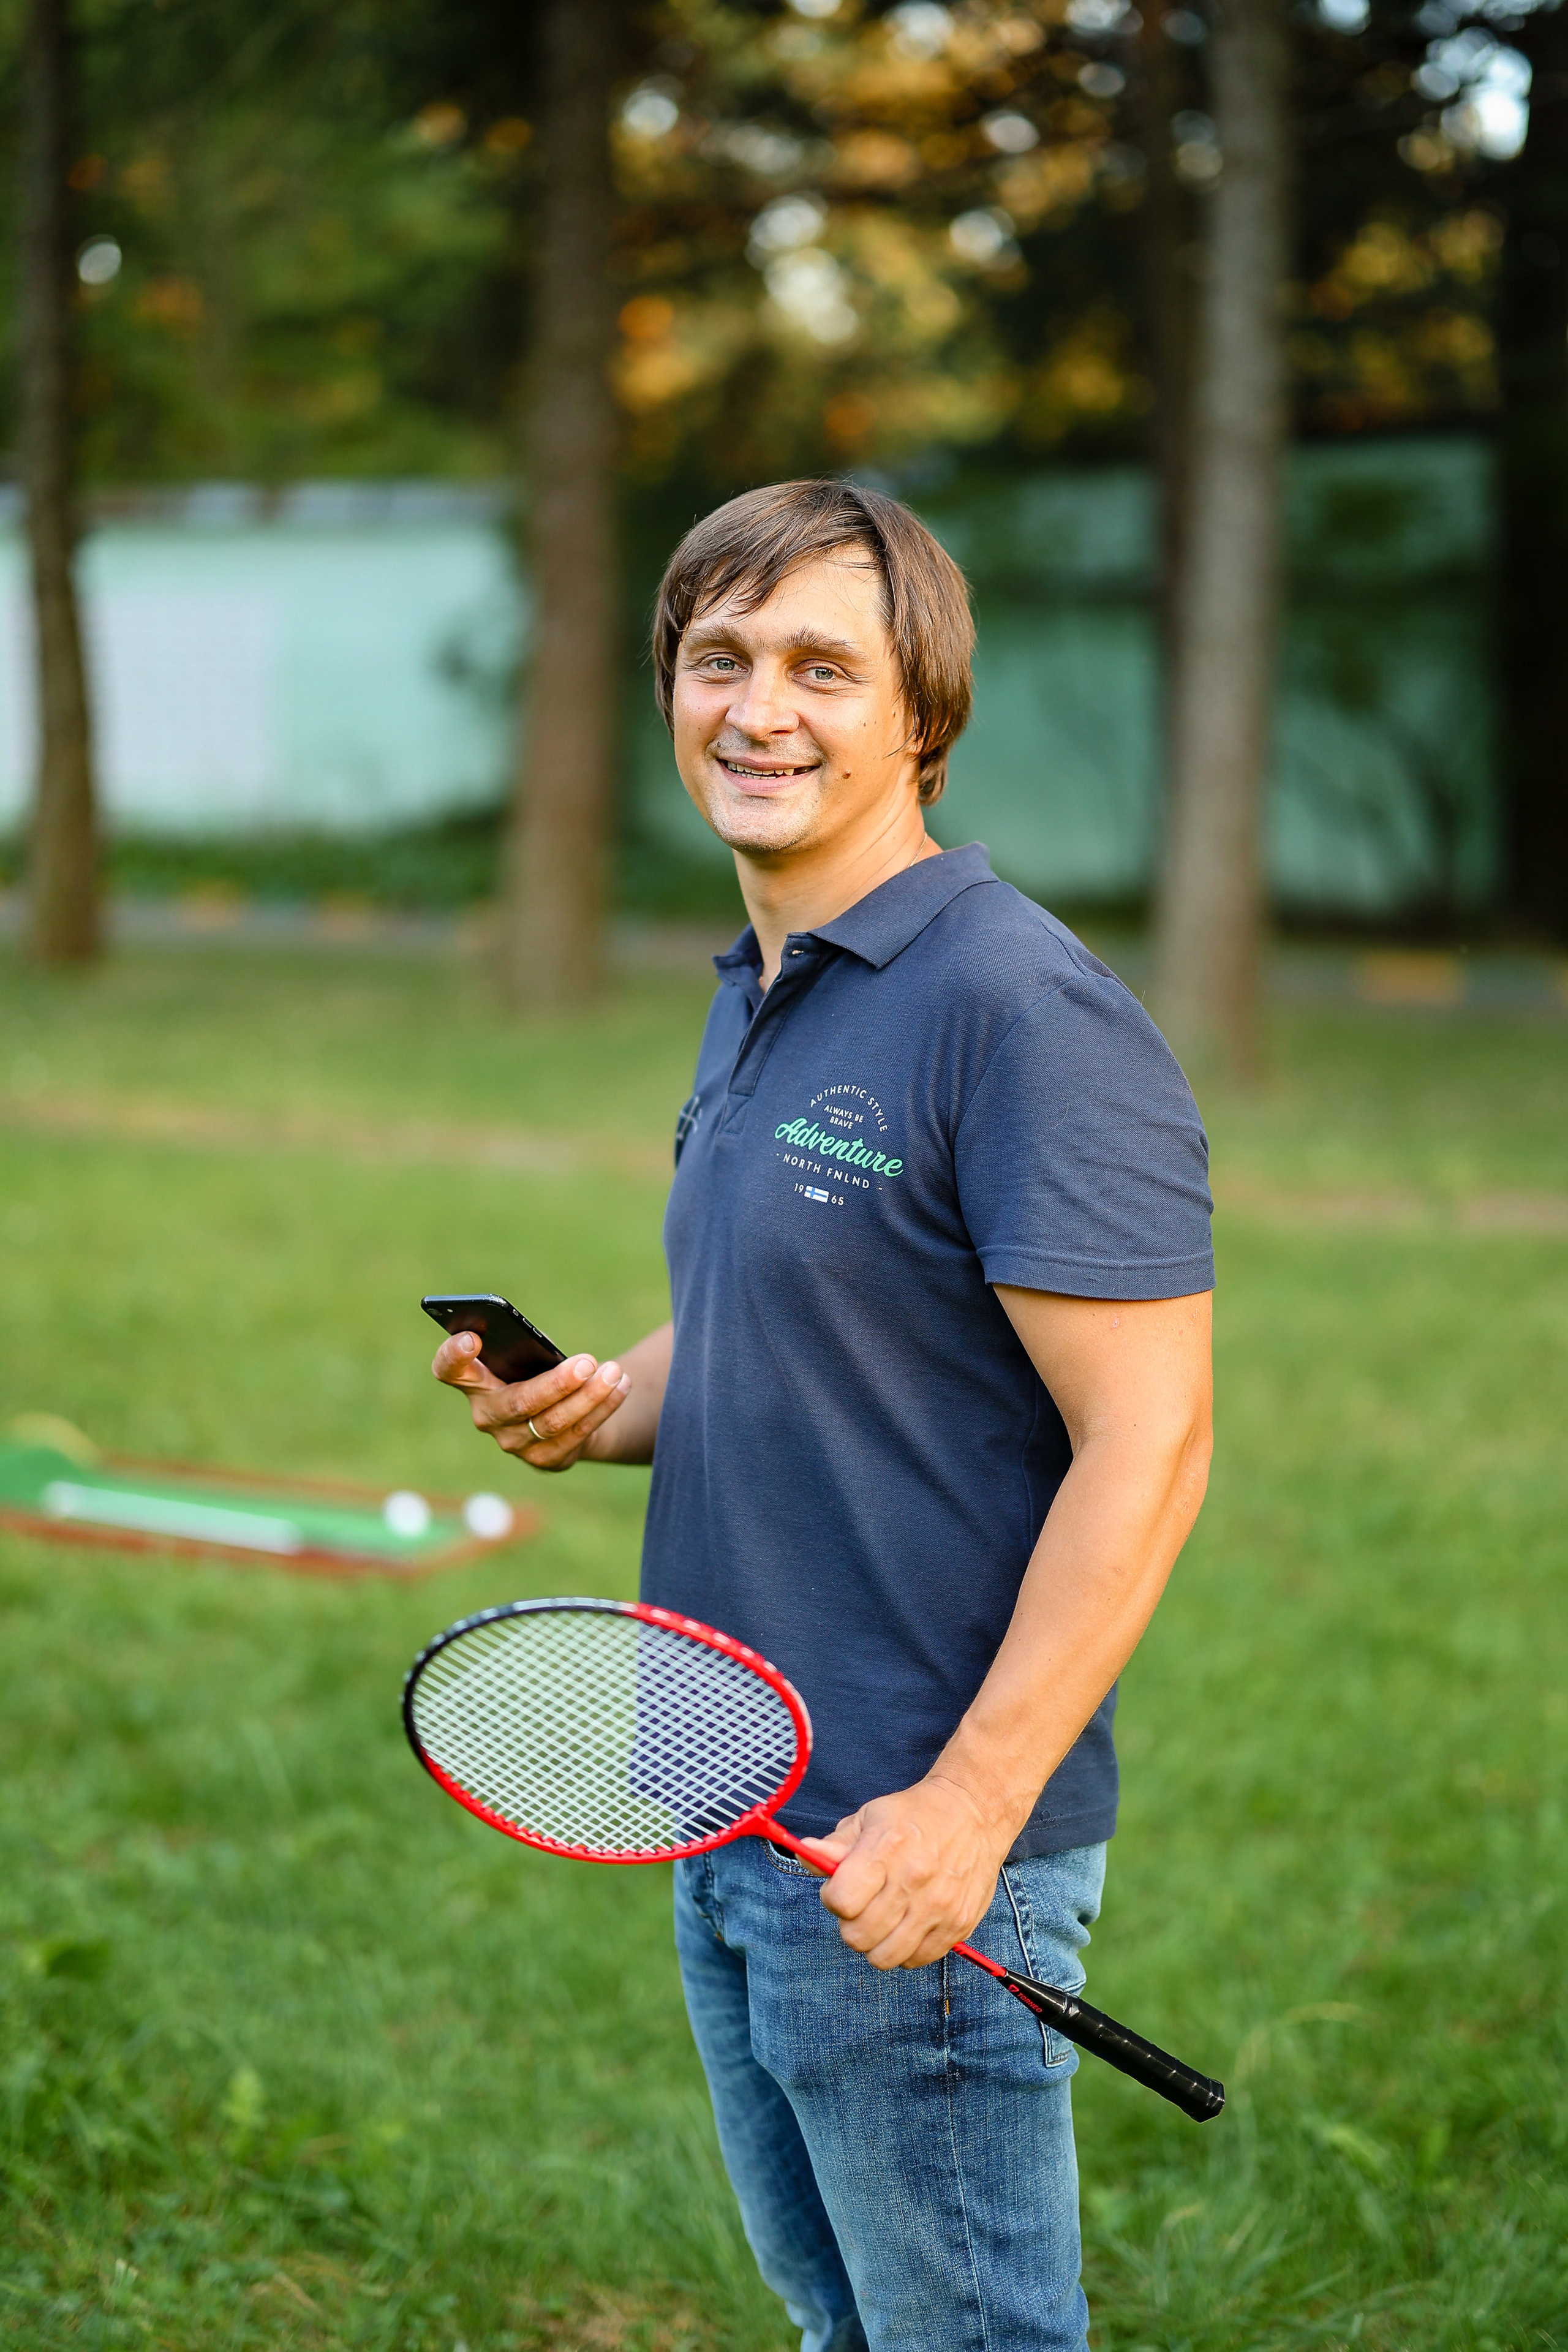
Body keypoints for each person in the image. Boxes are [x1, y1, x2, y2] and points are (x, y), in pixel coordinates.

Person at [433, 479, 1214, 2352]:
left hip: (908, 1844)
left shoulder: (1019, 1013)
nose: (757, 708)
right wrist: (607, 1399)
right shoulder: (775, 983)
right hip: (729, 1785)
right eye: (719, 659)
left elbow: (1153, 1440)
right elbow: (789, 1319)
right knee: (842, 2331)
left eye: (819, 667)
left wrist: (969, 1805)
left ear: (921, 714)